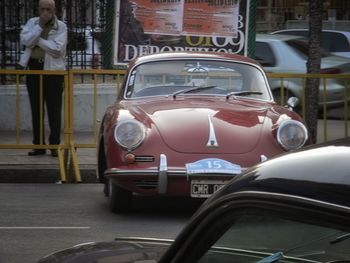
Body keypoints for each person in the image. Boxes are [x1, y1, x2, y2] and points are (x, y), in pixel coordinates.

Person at [19, 0, 67, 157]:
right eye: (42, 9)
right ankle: (38, 145)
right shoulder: (32, 23)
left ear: (54, 10)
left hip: (53, 72)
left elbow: (57, 49)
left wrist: (37, 40)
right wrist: (39, 26)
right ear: (39, 9)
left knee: (54, 109)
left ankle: (54, 145)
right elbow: (25, 41)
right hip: (34, 69)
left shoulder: (61, 26)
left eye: (48, 9)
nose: (45, 12)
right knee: (36, 108)